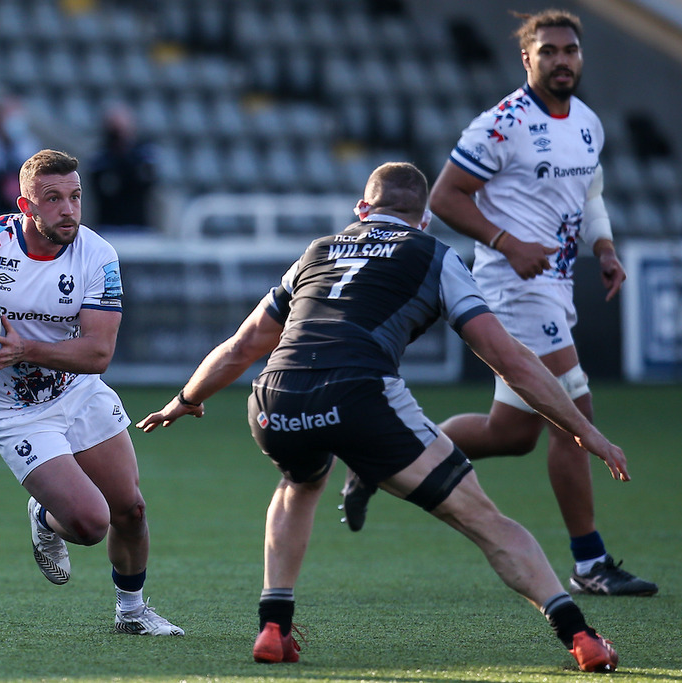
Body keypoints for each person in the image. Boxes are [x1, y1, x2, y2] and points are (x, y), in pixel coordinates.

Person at [136, 162, 624, 672]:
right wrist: (582, 429)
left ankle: (274, 627)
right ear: (424, 219)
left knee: (299, 482)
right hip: (359, 394)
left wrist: (186, 398)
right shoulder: (434, 254)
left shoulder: (317, 251)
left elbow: (243, 345)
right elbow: (508, 358)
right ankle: (580, 636)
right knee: (481, 518)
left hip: (276, 398)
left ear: (362, 209)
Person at [342, 10, 657, 597]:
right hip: (512, 287)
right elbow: (445, 196)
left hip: (554, 284)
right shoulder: (502, 124)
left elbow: (590, 194)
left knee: (510, 432)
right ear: (527, 58)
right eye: (549, 51)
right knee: (574, 413)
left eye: (570, 50)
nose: (562, 60)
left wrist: (605, 247)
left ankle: (379, 458)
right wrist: (507, 243)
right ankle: (589, 562)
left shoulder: (587, 123)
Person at [0, 149, 183, 637]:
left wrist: (24, 349)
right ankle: (48, 518)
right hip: (14, 412)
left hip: (78, 391)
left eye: (75, 196)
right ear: (26, 206)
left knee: (131, 510)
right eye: (53, 199)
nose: (69, 210)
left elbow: (98, 353)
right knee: (91, 524)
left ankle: (132, 613)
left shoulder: (97, 255)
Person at [88, 103, 158, 232]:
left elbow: (146, 183)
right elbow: (104, 187)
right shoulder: (101, 159)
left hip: (138, 226)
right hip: (108, 226)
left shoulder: (142, 156)